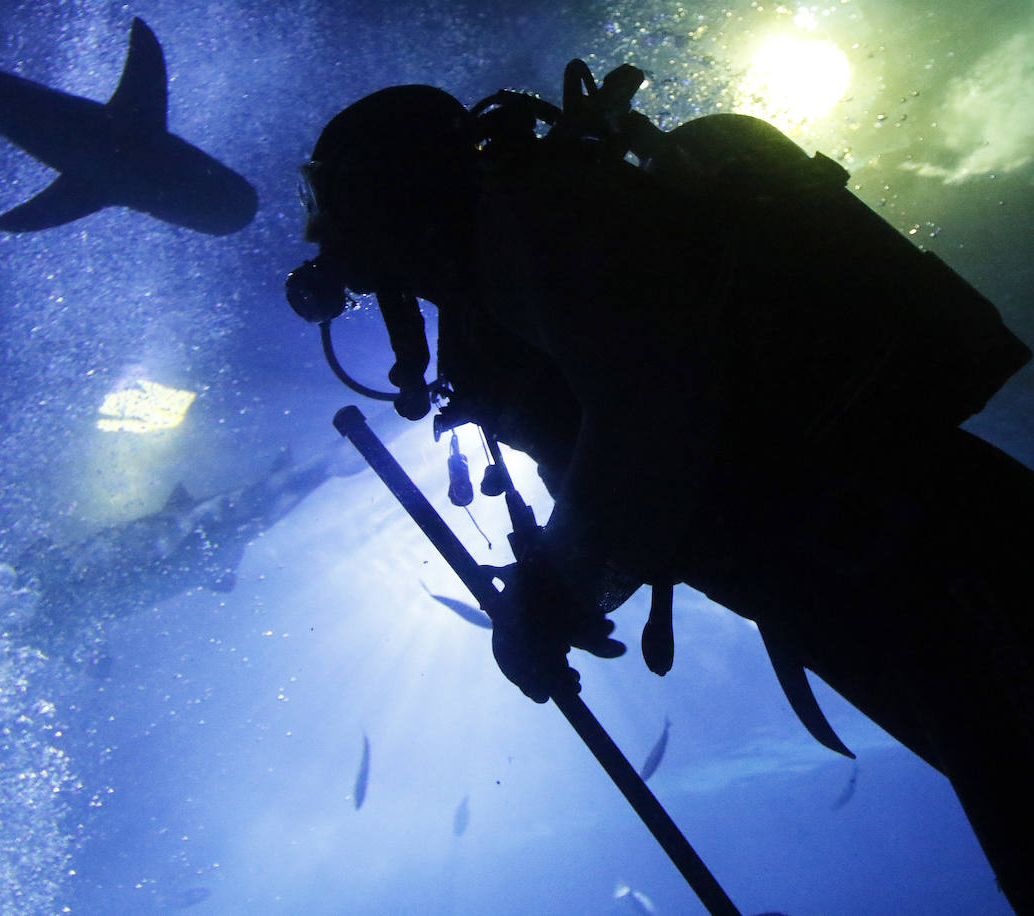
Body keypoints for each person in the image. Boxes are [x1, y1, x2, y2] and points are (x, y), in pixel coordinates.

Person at [286, 60, 1033, 913]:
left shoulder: (536, 220)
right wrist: (558, 582)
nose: (326, 242)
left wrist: (558, 593)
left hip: (923, 549)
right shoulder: (493, 286)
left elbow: (651, 413)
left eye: (331, 203)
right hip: (848, 580)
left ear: (390, 190)